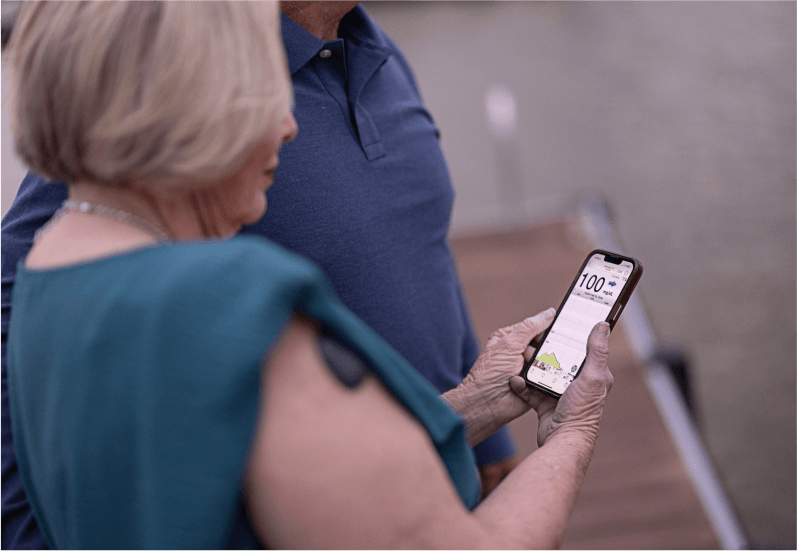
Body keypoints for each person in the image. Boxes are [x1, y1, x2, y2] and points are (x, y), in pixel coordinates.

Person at [2, 1, 614, 549]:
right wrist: (574, 428)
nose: (289, 123)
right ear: (174, 107)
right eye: (258, 87)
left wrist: (477, 406)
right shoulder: (240, 297)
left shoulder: (56, 271)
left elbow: (264, 481)